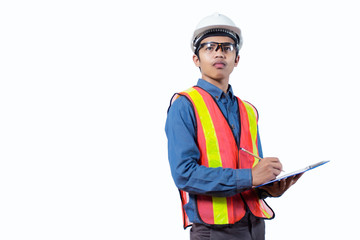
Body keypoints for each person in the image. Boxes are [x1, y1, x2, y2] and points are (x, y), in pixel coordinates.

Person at [165, 13, 302, 240]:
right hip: (214, 231)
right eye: (210, 47)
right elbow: (184, 174)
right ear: (196, 59)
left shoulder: (248, 110)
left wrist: (268, 187)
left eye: (227, 47)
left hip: (255, 226)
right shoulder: (184, 105)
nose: (219, 52)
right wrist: (250, 177)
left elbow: (250, 169)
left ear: (236, 59)